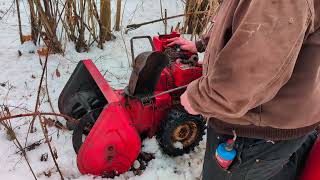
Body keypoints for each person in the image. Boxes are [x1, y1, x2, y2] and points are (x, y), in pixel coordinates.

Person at [168, 0, 320, 179]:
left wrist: (201, 98)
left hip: (256, 129)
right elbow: (252, 22)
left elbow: (254, 69)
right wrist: (203, 43)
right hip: (285, 115)